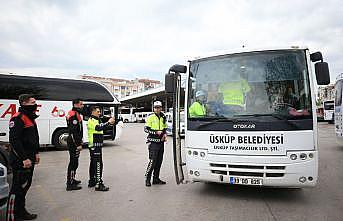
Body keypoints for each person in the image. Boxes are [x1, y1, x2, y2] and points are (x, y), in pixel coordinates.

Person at [7, 94, 40, 220]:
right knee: (17, 188)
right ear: (24, 103)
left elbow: (34, 138)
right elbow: (14, 140)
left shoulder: (30, 117)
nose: (35, 104)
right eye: (33, 102)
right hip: (21, 159)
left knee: (25, 185)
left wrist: (36, 153)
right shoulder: (18, 118)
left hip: (30, 158)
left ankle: (21, 211)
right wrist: (24, 158)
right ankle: (12, 215)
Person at [87, 106, 115, 191]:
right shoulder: (92, 120)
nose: (100, 113)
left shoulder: (96, 120)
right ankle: (98, 184)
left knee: (93, 164)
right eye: (98, 111)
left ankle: (92, 181)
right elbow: (98, 127)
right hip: (95, 146)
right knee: (98, 164)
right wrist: (108, 122)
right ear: (93, 112)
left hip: (96, 145)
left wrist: (109, 123)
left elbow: (101, 127)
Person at [144, 101, 168, 187]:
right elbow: (146, 129)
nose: (157, 109)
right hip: (153, 143)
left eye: (159, 107)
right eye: (155, 107)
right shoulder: (150, 117)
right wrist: (155, 132)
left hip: (161, 143)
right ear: (153, 108)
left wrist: (164, 134)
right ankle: (147, 178)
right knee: (152, 162)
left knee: (159, 162)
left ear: (161, 108)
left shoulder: (163, 117)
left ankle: (156, 179)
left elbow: (165, 128)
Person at [65, 99, 84, 191]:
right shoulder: (73, 115)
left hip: (74, 141)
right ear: (76, 104)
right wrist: (78, 144)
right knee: (73, 162)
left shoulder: (75, 113)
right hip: (73, 142)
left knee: (75, 162)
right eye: (81, 104)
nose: (82, 106)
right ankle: (70, 183)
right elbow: (73, 132)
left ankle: (72, 179)